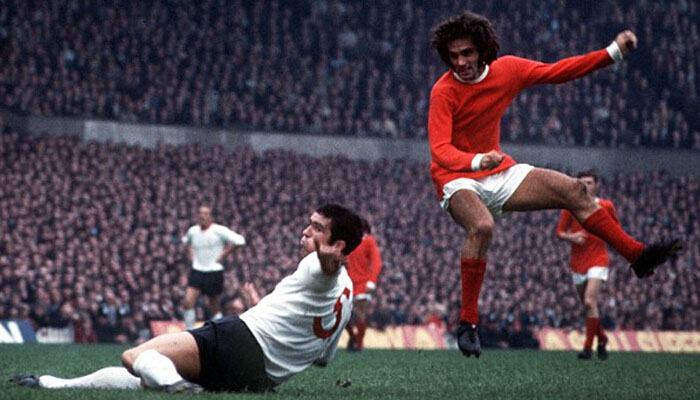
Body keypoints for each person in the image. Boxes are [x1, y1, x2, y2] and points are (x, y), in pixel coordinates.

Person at [428, 11, 683, 358]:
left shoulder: (508, 69)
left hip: (496, 170)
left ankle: (636, 256)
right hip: (455, 176)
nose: (460, 62)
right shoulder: (443, 91)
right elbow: (440, 150)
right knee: (482, 226)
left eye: (467, 53)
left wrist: (613, 52)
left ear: (482, 49)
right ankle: (468, 323)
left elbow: (558, 71)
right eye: (453, 56)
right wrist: (476, 161)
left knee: (576, 191)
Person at [11, 204, 363, 393]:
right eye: (309, 223)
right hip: (260, 379)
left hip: (237, 341)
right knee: (145, 378)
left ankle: (176, 388)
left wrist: (326, 259)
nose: (305, 231)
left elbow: (324, 269)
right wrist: (263, 308)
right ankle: (51, 383)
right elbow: (323, 359)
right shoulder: (346, 296)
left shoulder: (318, 266)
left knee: (136, 357)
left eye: (317, 228)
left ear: (338, 245)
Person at [555, 170, 616, 360]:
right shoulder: (570, 207)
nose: (585, 186)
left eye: (589, 182)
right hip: (577, 262)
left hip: (599, 259)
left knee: (590, 301)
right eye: (581, 182)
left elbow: (615, 230)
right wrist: (572, 237)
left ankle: (588, 348)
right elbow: (559, 232)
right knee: (588, 306)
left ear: (596, 185)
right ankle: (602, 337)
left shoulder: (605, 206)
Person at [181, 205, 246, 328]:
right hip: (197, 270)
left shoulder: (219, 230)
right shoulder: (193, 231)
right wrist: (191, 255)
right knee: (188, 302)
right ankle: (189, 331)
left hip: (214, 272)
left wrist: (225, 254)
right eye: (200, 213)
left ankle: (220, 331)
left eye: (206, 214)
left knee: (213, 307)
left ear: (211, 217)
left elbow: (240, 240)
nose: (203, 216)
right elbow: (185, 243)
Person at [345, 218, 383, 351]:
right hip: (348, 282)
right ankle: (354, 338)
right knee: (343, 315)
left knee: (358, 313)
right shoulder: (347, 241)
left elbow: (377, 262)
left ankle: (359, 343)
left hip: (361, 284)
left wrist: (371, 281)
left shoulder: (368, 241)